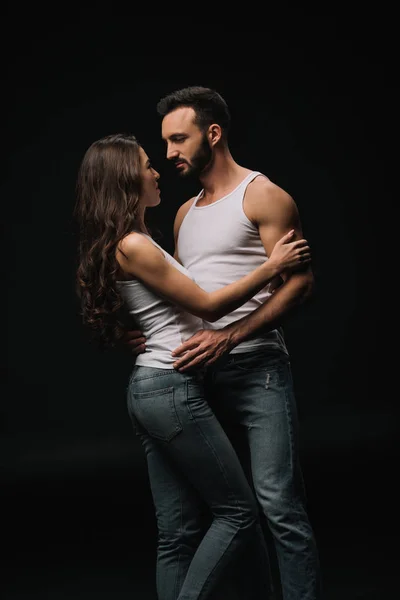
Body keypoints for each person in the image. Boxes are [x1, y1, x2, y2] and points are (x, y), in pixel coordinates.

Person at [74, 132, 311, 600]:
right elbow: (207, 306)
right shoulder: (136, 245)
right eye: (146, 164)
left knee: (176, 534)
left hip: (154, 388)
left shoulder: (135, 241)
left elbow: (148, 306)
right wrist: (272, 265)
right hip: (170, 388)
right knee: (238, 514)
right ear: (125, 178)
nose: (157, 168)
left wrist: (134, 335)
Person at [125, 86, 322, 600]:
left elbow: (299, 283)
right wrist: (153, 332)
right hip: (197, 378)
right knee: (219, 513)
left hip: (258, 370)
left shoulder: (263, 195)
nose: (169, 154)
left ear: (213, 134)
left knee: (277, 503)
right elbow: (187, 295)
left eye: (178, 140)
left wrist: (230, 335)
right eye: (164, 144)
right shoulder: (184, 213)